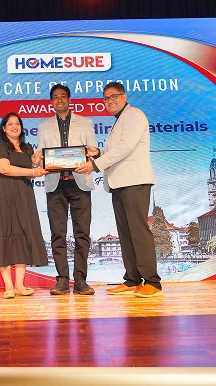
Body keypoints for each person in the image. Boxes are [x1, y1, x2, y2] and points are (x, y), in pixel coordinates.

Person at [76, 81, 163, 298]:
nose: (110, 101)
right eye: (106, 98)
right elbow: (118, 151)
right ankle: (132, 279)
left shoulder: (134, 115)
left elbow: (126, 148)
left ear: (124, 96)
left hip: (134, 181)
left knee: (138, 232)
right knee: (126, 234)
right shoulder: (119, 120)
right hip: (120, 183)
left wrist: (95, 164)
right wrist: (98, 153)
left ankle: (152, 282)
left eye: (114, 96)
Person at [37, 84, 98, 295]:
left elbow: (93, 152)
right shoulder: (44, 126)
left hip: (80, 183)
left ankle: (80, 280)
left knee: (82, 234)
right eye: (55, 97)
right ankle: (62, 279)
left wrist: (93, 155)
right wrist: (38, 160)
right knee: (57, 234)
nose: (60, 100)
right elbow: (41, 155)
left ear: (69, 100)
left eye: (63, 96)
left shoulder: (86, 122)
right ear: (51, 102)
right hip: (55, 185)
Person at [0, 112, 49, 299]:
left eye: (17, 123)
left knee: (22, 234)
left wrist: (35, 162)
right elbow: (4, 168)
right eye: (10, 124)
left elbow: (28, 170)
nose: (15, 126)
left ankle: (20, 284)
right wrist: (33, 171)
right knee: (2, 233)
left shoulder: (27, 147)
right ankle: (8, 286)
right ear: (4, 128)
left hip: (23, 193)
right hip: (1, 193)